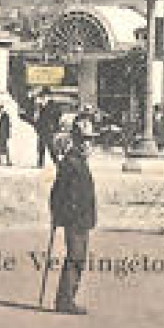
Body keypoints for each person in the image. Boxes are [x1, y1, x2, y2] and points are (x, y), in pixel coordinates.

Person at [49, 119, 97, 315]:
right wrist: (59, 215)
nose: (88, 144)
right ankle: (65, 300)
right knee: (75, 258)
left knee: (79, 259)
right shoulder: (71, 162)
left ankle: (68, 298)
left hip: (82, 219)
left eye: (90, 140)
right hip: (75, 220)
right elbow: (58, 192)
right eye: (84, 140)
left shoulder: (79, 161)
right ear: (76, 140)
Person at [33, 89, 64, 168]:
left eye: (43, 96)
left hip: (49, 129)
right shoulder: (41, 106)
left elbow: (58, 114)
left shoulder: (53, 105)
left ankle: (57, 163)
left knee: (51, 147)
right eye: (41, 97)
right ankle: (40, 163)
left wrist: (54, 125)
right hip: (42, 129)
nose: (42, 98)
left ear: (48, 96)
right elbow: (38, 118)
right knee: (41, 147)